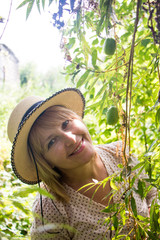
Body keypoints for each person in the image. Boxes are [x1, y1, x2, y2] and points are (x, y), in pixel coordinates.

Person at [7, 88, 157, 240]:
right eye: (51, 142)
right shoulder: (50, 210)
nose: (70, 139)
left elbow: (152, 194)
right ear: (45, 161)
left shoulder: (121, 154)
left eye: (65, 124)